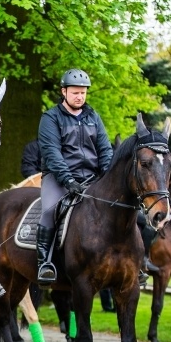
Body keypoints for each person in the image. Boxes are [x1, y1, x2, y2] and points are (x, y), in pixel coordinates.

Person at [36, 68, 112, 284]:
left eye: (83, 93)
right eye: (75, 92)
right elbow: (52, 153)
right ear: (64, 91)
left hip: (92, 177)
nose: (80, 96)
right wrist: (68, 180)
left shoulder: (93, 116)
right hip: (59, 178)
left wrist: (107, 175)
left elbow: (105, 149)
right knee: (50, 209)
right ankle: (45, 263)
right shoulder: (50, 118)